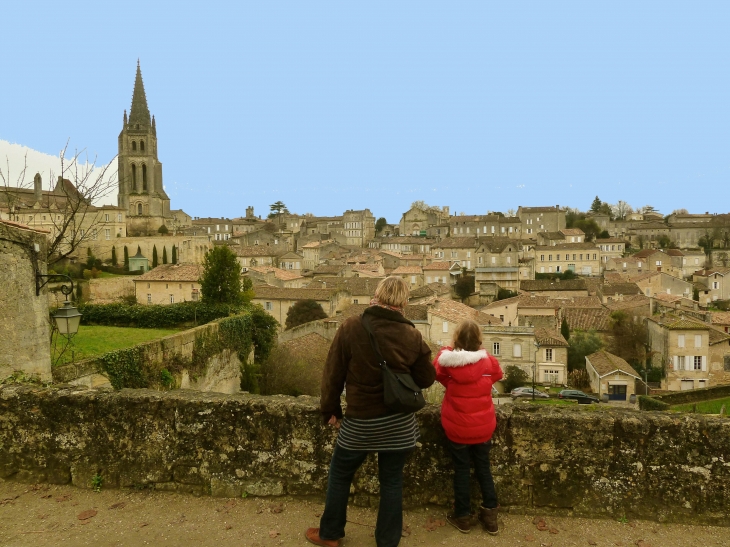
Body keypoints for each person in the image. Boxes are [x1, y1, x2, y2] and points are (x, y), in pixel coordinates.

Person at [306, 276, 436, 547]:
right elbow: (426, 378)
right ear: (404, 302)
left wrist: (330, 410)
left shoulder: (352, 326)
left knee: (341, 474)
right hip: (399, 425)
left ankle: (330, 534)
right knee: (391, 482)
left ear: (376, 296)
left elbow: (333, 374)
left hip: (361, 421)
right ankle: (387, 542)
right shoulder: (412, 334)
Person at [433, 319, 503, 535]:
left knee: (461, 470)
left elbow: (437, 371)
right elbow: (498, 376)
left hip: (457, 428)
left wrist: (453, 381)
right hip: (483, 428)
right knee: (484, 468)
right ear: (479, 341)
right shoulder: (488, 362)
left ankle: (462, 516)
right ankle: (490, 516)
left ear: (457, 339)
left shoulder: (449, 362)